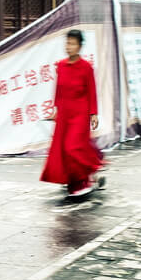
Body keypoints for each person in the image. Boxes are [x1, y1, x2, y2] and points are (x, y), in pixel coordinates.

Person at [40, 28, 104, 196]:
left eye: (72, 43)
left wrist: (93, 114)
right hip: (64, 113)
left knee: (73, 147)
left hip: (80, 113)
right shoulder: (60, 66)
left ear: (80, 46)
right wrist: (55, 110)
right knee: (63, 149)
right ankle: (77, 179)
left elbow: (92, 91)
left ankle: (82, 182)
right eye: (67, 43)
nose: (68, 46)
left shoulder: (86, 67)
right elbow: (59, 89)